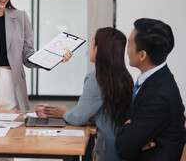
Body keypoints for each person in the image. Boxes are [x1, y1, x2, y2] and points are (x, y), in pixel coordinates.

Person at [36, 27, 134, 161]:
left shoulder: (96, 77)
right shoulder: (125, 76)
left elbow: (78, 118)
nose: (89, 47)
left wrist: (63, 112)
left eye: (92, 42)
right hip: (123, 146)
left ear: (99, 49)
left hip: (107, 150)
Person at [115, 18, 185, 161]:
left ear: (142, 55)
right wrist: (133, 130)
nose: (126, 50)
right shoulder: (155, 79)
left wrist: (129, 129)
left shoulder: (159, 94)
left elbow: (123, 147)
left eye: (129, 44)